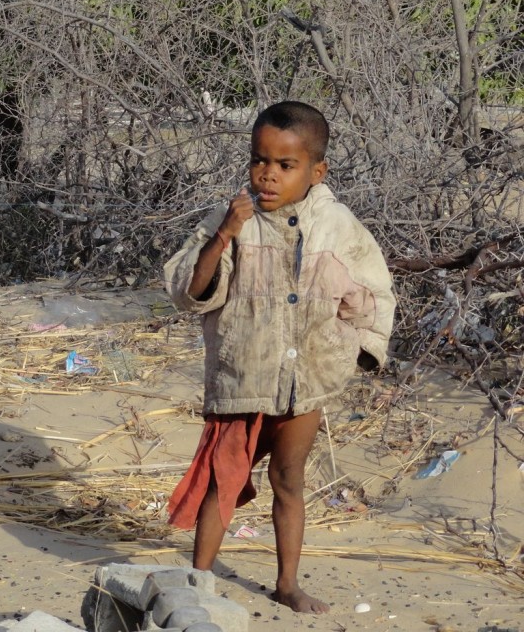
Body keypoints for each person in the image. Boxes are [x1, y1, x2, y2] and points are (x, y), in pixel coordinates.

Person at [163, 100, 395, 613]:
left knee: (289, 481)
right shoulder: (232, 218)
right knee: (223, 481)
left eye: (285, 165)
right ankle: (197, 582)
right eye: (259, 160)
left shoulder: (338, 226)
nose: (268, 175)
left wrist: (357, 352)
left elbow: (373, 292)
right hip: (242, 374)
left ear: (317, 171)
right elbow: (188, 289)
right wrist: (224, 232)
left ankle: (287, 583)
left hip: (305, 380)